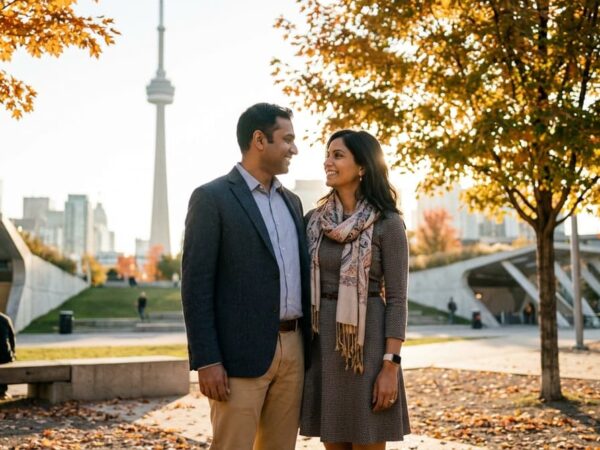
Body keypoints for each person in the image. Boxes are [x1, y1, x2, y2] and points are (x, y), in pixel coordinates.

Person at [181, 103, 311, 450]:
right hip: (237, 357)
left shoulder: (293, 203)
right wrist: (207, 360)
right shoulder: (212, 198)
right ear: (259, 140)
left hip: (294, 349)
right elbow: (196, 287)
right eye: (287, 139)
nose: (294, 149)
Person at [300, 130, 410, 449]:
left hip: (368, 348)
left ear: (362, 166)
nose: (328, 162)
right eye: (327, 154)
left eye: (338, 155)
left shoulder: (388, 224)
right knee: (332, 443)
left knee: (367, 441)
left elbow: (398, 300)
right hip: (323, 347)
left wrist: (390, 365)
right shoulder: (313, 222)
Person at [0, 312, 16, 399]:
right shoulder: (5, 319)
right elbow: (12, 338)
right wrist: (13, 353)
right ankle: (2, 391)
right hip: (5, 355)